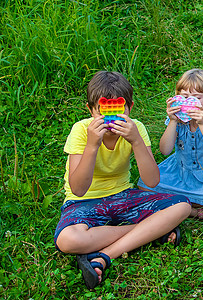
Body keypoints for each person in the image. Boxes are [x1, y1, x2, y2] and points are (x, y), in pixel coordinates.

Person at [54, 71, 191, 289]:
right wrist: (92, 145)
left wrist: (136, 141)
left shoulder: (136, 128)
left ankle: (105, 255)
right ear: (90, 110)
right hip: (83, 202)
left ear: (130, 107)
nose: (111, 118)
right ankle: (151, 232)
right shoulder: (81, 131)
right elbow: (78, 189)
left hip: (123, 196)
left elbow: (152, 180)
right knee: (68, 239)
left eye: (118, 109)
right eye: (103, 111)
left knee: (182, 206)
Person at [137, 69, 203, 219]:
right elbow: (165, 150)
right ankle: (193, 211)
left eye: (197, 97)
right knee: (144, 185)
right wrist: (173, 121)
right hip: (178, 170)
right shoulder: (177, 121)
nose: (190, 101)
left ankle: (182, 204)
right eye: (185, 96)